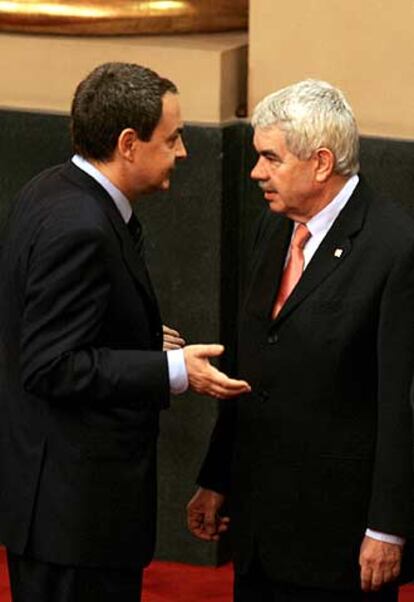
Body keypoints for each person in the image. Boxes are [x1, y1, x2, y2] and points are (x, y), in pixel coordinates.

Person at [0, 62, 251, 602]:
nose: (184, 152)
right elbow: (51, 365)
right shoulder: (81, 226)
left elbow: (45, 321)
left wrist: (132, 333)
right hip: (74, 523)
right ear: (129, 143)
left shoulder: (51, 190)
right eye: (174, 138)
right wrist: (173, 370)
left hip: (58, 508)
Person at [187, 79, 414, 601]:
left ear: (320, 162)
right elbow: (254, 365)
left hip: (338, 543)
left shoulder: (395, 248)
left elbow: (401, 404)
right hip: (259, 532)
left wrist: (387, 528)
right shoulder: (275, 227)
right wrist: (216, 477)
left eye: (270, 158)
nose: (255, 173)